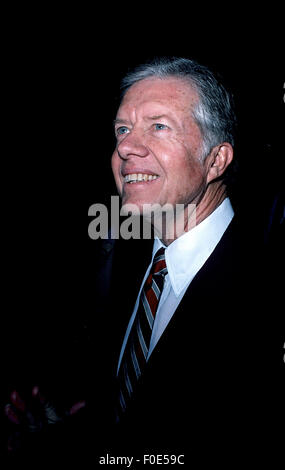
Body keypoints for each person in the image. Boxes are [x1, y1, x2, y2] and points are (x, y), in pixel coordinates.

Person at [5, 57, 284, 465]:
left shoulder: (265, 295)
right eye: (122, 128)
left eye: (158, 126)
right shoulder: (125, 266)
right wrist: (56, 425)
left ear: (216, 160)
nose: (124, 147)